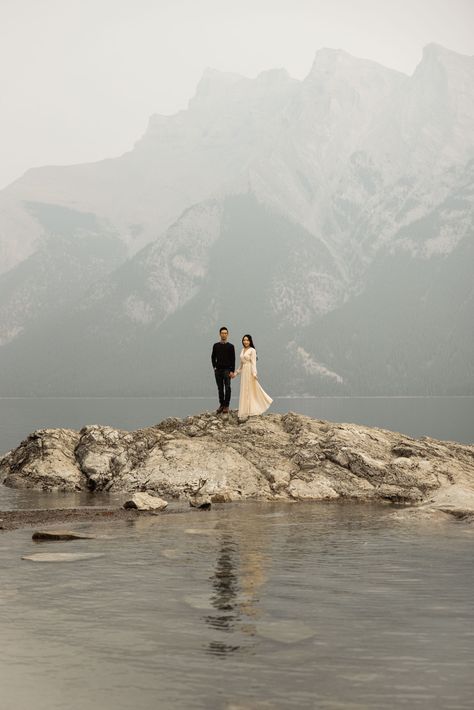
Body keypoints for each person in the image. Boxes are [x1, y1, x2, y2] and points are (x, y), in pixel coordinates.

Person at [232, 334, 272, 420]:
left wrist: (254, 373)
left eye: (247, 340)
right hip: (244, 373)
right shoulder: (242, 350)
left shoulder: (252, 350)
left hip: (250, 372)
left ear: (250, 341)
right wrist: (236, 373)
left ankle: (252, 410)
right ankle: (245, 411)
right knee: (244, 390)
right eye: (244, 340)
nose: (245, 341)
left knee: (250, 390)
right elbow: (241, 365)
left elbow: (254, 363)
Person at [211, 327, 235, 414]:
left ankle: (226, 406)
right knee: (220, 388)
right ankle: (221, 405)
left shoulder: (231, 346)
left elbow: (233, 359)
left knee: (227, 387)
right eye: (222, 333)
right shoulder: (216, 345)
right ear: (220, 334)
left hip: (227, 370)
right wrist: (214, 367)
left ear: (227, 334)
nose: (224, 334)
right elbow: (213, 357)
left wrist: (232, 371)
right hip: (218, 370)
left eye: (225, 333)